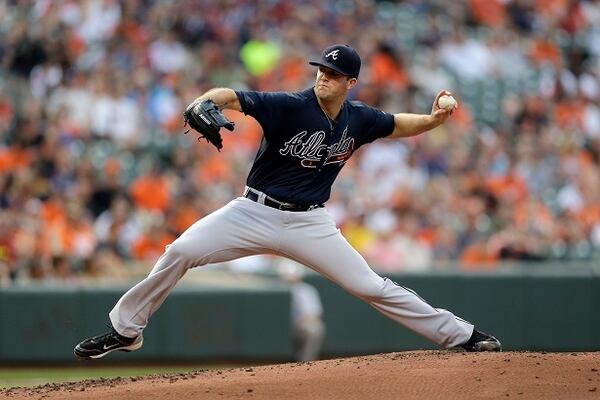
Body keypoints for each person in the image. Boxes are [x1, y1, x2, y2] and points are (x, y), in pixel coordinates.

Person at [74, 44, 501, 360]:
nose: (323, 77)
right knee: (181, 250)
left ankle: (461, 335)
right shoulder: (291, 106)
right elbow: (232, 96)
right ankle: (126, 329)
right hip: (253, 211)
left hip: (309, 224)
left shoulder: (360, 118)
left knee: (370, 286)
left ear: (351, 83)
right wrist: (203, 101)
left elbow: (396, 124)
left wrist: (433, 119)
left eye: (333, 74)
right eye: (321, 69)